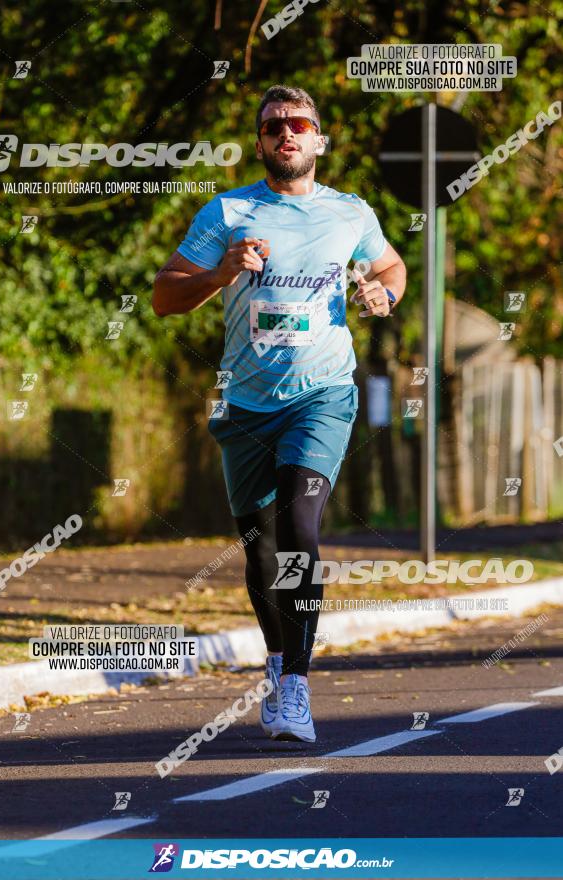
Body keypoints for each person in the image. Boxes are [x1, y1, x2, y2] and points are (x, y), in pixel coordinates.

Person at [153, 85, 406, 743]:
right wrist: (219, 274)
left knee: (299, 519)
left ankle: (294, 685)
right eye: (273, 127)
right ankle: (276, 657)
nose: (286, 134)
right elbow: (162, 297)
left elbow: (390, 266)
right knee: (259, 545)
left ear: (319, 139)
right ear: (261, 143)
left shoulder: (351, 212)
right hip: (244, 403)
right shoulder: (229, 211)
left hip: (322, 394)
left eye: (298, 124)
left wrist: (382, 294)